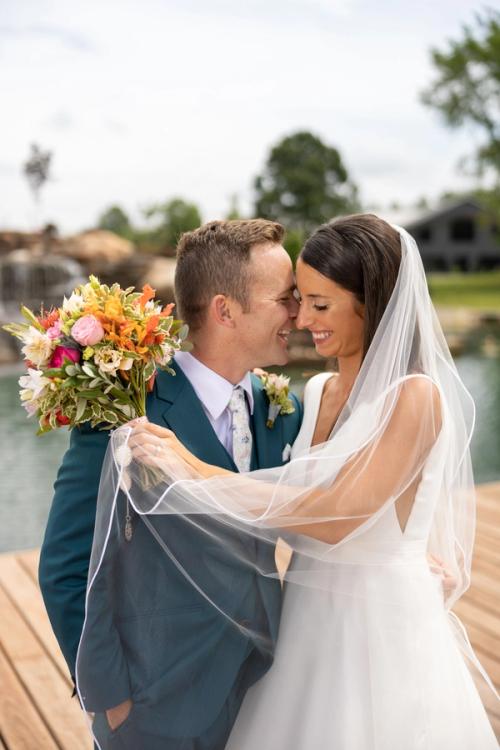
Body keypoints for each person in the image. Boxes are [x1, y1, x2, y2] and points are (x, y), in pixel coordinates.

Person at [108, 214, 499, 749]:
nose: (302, 317)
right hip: (303, 623)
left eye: (320, 303)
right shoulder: (310, 393)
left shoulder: (415, 396)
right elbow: (288, 504)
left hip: (377, 627)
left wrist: (192, 470)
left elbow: (338, 517)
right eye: (297, 299)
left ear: (372, 300)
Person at [39, 219, 302, 750]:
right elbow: (64, 569)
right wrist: (112, 701)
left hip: (262, 685)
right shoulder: (126, 408)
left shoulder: (279, 407)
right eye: (285, 298)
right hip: (156, 706)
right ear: (226, 311)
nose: (297, 312)